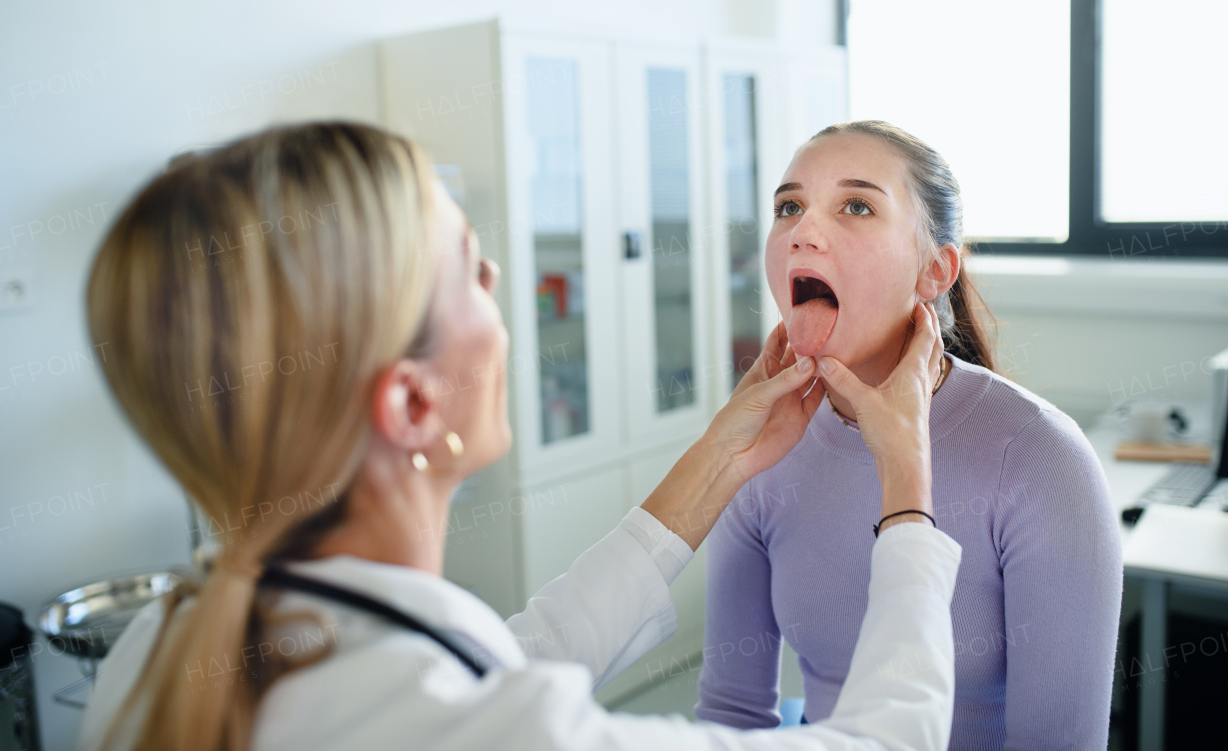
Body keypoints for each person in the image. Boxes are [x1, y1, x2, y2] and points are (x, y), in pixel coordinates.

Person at [75, 122, 962, 751]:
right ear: (415, 407)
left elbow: (507, 656)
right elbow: (891, 739)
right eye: (470, 268)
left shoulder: (160, 656)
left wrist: (719, 459)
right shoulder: (467, 729)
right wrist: (909, 496)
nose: (500, 277)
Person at [695, 121, 1123, 749]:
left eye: (857, 205)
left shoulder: (1039, 458)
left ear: (935, 270)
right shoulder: (760, 444)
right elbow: (731, 710)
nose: (801, 233)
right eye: (789, 206)